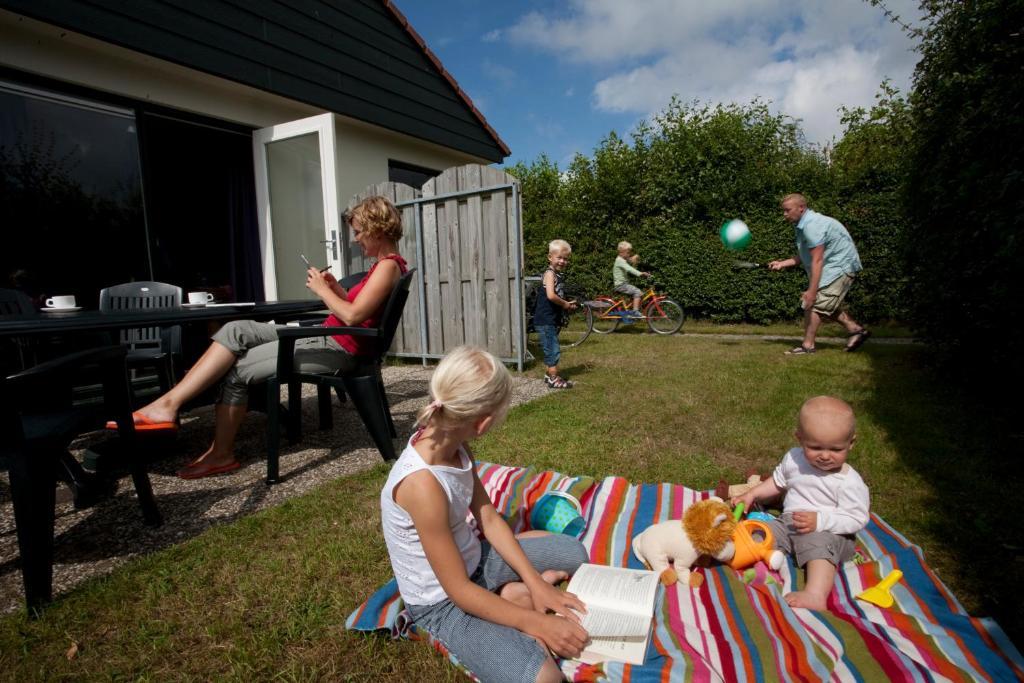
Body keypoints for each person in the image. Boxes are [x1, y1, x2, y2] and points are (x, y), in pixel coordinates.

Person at [116, 195, 407, 480]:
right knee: (235, 329)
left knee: (237, 369)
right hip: (328, 336)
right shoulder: (384, 266)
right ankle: (169, 404)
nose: (356, 239)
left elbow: (354, 317)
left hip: (335, 346)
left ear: (376, 229)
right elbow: (359, 310)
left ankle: (220, 453)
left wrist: (321, 291)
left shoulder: (388, 266)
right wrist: (334, 289)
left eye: (358, 232)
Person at [381, 346, 590, 683]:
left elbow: (488, 518)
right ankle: (510, 604)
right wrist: (539, 623)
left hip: (476, 561)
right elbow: (459, 591)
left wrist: (536, 584)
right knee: (546, 678)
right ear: (483, 422)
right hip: (443, 603)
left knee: (575, 554)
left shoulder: (454, 443)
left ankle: (511, 593)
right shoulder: (421, 486)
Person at [731, 396, 870, 610]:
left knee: (818, 544)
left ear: (850, 443)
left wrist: (820, 521)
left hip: (831, 534)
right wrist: (753, 495)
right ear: (800, 438)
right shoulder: (795, 460)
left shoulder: (849, 481)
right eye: (815, 447)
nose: (825, 456)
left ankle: (815, 594)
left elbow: (856, 518)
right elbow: (777, 482)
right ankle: (725, 552)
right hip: (789, 523)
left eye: (835, 449)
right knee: (757, 532)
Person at [769, 194, 870, 355]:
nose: (785, 214)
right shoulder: (803, 225)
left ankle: (807, 346)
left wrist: (812, 291)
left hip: (841, 266)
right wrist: (782, 263)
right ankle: (856, 330)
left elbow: (817, 261)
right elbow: (806, 256)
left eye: (788, 210)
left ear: (801, 208)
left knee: (813, 303)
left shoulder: (811, 226)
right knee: (826, 303)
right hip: (833, 265)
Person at [534, 239, 577, 389]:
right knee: (552, 349)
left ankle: (548, 374)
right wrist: (564, 303)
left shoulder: (557, 275)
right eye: (559, 257)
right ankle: (553, 378)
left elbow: (556, 296)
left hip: (551, 319)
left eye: (565, 258)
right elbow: (551, 296)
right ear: (550, 257)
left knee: (551, 346)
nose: (562, 261)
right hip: (545, 319)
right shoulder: (550, 274)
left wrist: (567, 304)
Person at [612, 241, 650, 320]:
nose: (629, 254)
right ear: (622, 252)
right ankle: (635, 312)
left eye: (629, 252)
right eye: (628, 252)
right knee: (637, 292)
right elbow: (629, 269)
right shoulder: (620, 261)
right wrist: (640, 274)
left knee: (637, 294)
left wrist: (634, 258)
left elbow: (630, 260)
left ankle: (630, 312)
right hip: (621, 285)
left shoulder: (622, 259)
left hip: (624, 284)